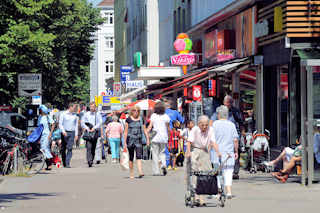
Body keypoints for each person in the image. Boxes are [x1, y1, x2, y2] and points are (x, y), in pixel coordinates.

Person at [210, 95, 243, 180]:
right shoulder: (219, 111)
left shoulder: (235, 111)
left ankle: (234, 172)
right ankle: (221, 171)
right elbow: (211, 121)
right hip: (222, 136)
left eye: (230, 102)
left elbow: (241, 122)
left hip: (234, 134)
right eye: (227, 102)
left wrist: (242, 133)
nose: (229, 104)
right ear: (224, 102)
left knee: (235, 153)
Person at [211, 106, 239, 199]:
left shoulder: (214, 124)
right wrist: (236, 151)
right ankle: (229, 192)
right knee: (229, 172)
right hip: (229, 153)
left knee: (218, 172)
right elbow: (235, 140)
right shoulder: (231, 125)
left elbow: (212, 140)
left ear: (218, 114)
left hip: (216, 152)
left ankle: (219, 191)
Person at [185, 115, 214, 206]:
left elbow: (212, 142)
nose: (205, 127)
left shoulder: (210, 130)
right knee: (195, 173)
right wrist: (189, 152)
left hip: (205, 152)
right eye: (203, 125)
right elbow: (189, 142)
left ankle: (202, 198)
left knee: (205, 174)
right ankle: (196, 196)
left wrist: (209, 149)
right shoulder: (194, 130)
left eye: (206, 125)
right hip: (195, 151)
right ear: (199, 124)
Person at [123, 106, 149, 179]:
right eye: (134, 110)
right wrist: (124, 143)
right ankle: (131, 173)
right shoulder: (128, 120)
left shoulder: (141, 119)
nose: (136, 112)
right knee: (131, 157)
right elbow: (125, 131)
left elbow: (144, 130)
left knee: (139, 156)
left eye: (137, 110)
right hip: (130, 140)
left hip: (138, 140)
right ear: (132, 111)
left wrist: (147, 139)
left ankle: (140, 172)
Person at [147, 102, 170, 176]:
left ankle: (156, 171)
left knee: (155, 154)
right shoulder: (166, 116)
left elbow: (150, 126)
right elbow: (168, 128)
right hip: (164, 137)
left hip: (155, 137)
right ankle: (163, 164)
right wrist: (169, 136)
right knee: (162, 153)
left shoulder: (153, 116)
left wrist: (146, 132)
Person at [81, 102, 103, 167]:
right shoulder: (86, 114)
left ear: (95, 107)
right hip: (88, 132)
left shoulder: (97, 114)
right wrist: (87, 128)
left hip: (95, 132)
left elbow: (100, 122)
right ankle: (89, 161)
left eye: (93, 107)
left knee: (93, 147)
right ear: (89, 107)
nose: (92, 108)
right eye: (91, 107)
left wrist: (94, 128)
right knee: (88, 147)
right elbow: (82, 122)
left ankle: (92, 159)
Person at [59, 103, 79, 168]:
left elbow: (76, 126)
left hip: (72, 133)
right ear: (70, 107)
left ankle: (67, 163)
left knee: (70, 148)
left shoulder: (75, 116)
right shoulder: (63, 114)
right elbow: (60, 124)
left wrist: (76, 134)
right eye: (74, 108)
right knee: (63, 148)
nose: (75, 109)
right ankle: (64, 162)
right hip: (64, 132)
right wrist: (63, 131)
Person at [38, 105, 55, 170]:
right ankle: (48, 165)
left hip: (47, 135)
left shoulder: (48, 117)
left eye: (40, 110)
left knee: (45, 149)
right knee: (43, 149)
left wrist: (50, 134)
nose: (39, 111)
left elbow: (53, 124)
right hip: (41, 135)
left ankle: (49, 164)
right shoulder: (39, 117)